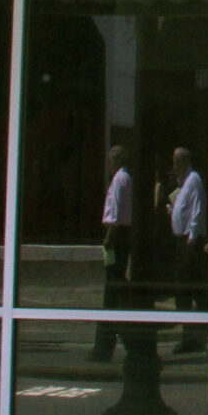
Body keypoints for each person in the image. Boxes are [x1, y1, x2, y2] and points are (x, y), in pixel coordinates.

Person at [90, 143, 138, 361]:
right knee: (114, 291)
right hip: (120, 236)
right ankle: (113, 341)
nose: (108, 165)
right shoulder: (125, 178)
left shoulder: (119, 179)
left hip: (116, 237)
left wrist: (109, 238)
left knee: (113, 291)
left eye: (110, 161)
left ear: (116, 161)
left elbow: (116, 214)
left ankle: (112, 344)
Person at [164, 146, 208, 352]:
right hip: (180, 239)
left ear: (183, 162)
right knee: (183, 289)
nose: (174, 167)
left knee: (187, 289)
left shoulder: (194, 180)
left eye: (176, 163)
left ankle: (193, 336)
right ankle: (190, 333)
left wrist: (192, 239)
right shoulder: (184, 182)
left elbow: (197, 210)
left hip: (189, 242)